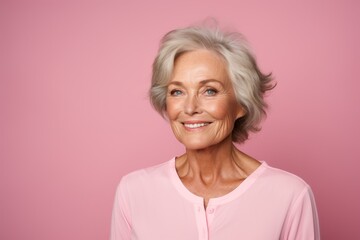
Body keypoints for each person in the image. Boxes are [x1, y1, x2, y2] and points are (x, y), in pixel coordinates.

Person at [110, 23, 320, 240]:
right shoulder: (133, 192)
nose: (190, 108)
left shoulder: (290, 196)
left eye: (209, 91)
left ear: (241, 103)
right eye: (177, 91)